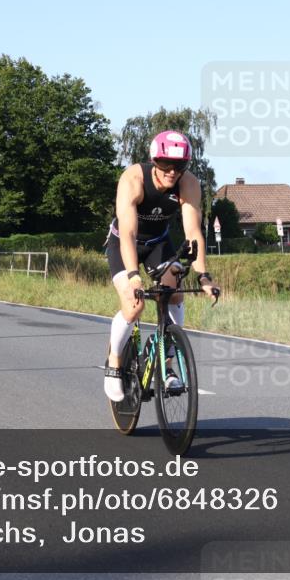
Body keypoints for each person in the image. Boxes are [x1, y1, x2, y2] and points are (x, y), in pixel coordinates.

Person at [103, 130, 220, 402]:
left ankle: (166, 365)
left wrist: (204, 276)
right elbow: (129, 234)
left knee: (175, 292)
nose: (172, 172)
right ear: (155, 161)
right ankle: (115, 360)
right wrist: (134, 276)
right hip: (124, 242)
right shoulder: (133, 179)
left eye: (179, 166)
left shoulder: (188, 183)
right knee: (135, 306)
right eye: (166, 165)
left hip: (158, 243)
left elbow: (193, 231)